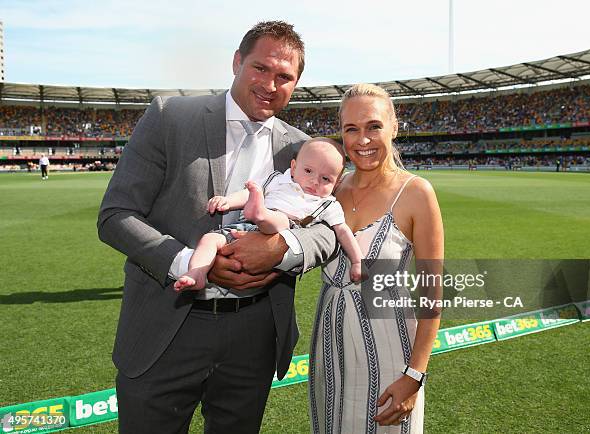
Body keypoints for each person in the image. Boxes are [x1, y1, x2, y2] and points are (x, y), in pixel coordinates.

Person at [97, 21, 337, 433]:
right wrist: (190, 262)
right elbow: (115, 215)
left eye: (285, 77)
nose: (270, 84)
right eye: (260, 68)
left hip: (255, 331)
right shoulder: (170, 116)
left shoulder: (304, 148)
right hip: (168, 324)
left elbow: (329, 227)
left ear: (295, 84)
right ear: (236, 62)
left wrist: (282, 249)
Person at [309, 84, 444, 433]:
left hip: (390, 352)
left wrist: (414, 376)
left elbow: (433, 296)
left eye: (373, 126)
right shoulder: (330, 187)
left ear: (394, 127)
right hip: (330, 343)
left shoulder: (415, 192)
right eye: (351, 129)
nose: (362, 139)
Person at [174, 137, 364, 292]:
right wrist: (228, 201)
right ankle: (197, 273)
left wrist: (357, 261)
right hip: (245, 228)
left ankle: (260, 213)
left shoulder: (327, 204)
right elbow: (246, 193)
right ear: (294, 166)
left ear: (337, 183)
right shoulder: (277, 180)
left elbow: (342, 232)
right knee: (210, 239)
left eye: (325, 179)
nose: (315, 181)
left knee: (280, 220)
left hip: (283, 230)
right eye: (308, 171)